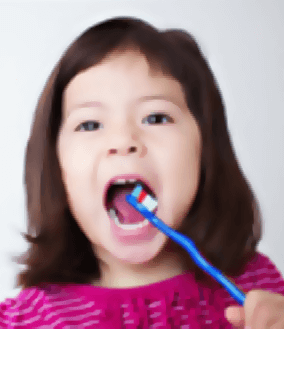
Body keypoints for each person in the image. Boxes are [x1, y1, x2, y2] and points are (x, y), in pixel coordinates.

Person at [1, 16, 284, 329]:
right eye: (90, 124)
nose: (124, 141)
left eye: (156, 118)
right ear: (56, 168)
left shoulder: (258, 290)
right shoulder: (25, 321)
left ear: (204, 149)